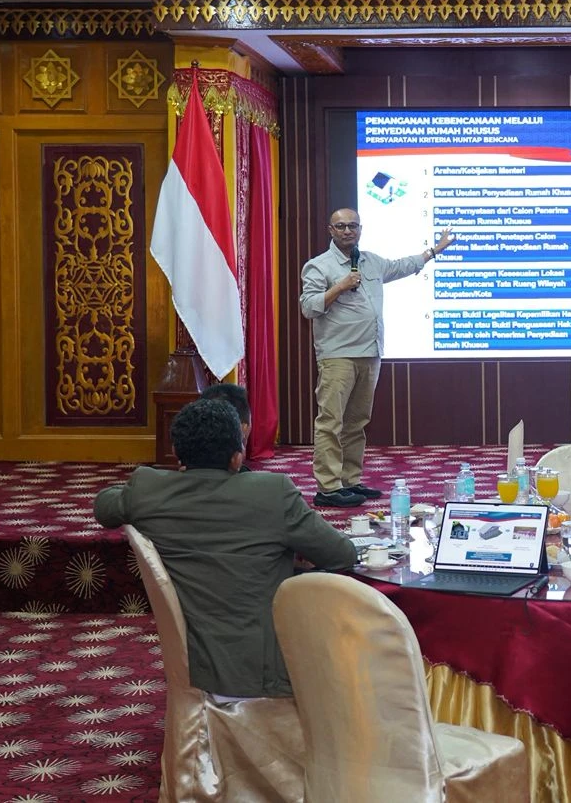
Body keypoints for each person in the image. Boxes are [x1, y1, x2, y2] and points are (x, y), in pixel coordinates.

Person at [94, 398, 356, 698]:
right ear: (237, 457)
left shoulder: (147, 488)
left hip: (194, 667)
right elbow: (342, 555)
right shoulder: (273, 492)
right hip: (267, 673)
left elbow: (104, 505)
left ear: (176, 452)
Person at [299, 208, 454, 508]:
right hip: (338, 355)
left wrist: (435, 250)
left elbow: (402, 266)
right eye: (341, 226)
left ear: (360, 229)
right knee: (331, 421)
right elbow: (309, 307)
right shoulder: (318, 266)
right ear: (330, 230)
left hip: (370, 353)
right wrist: (340, 286)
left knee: (357, 422)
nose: (347, 231)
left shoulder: (371, 261)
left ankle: (350, 480)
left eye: (353, 226)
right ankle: (328, 487)